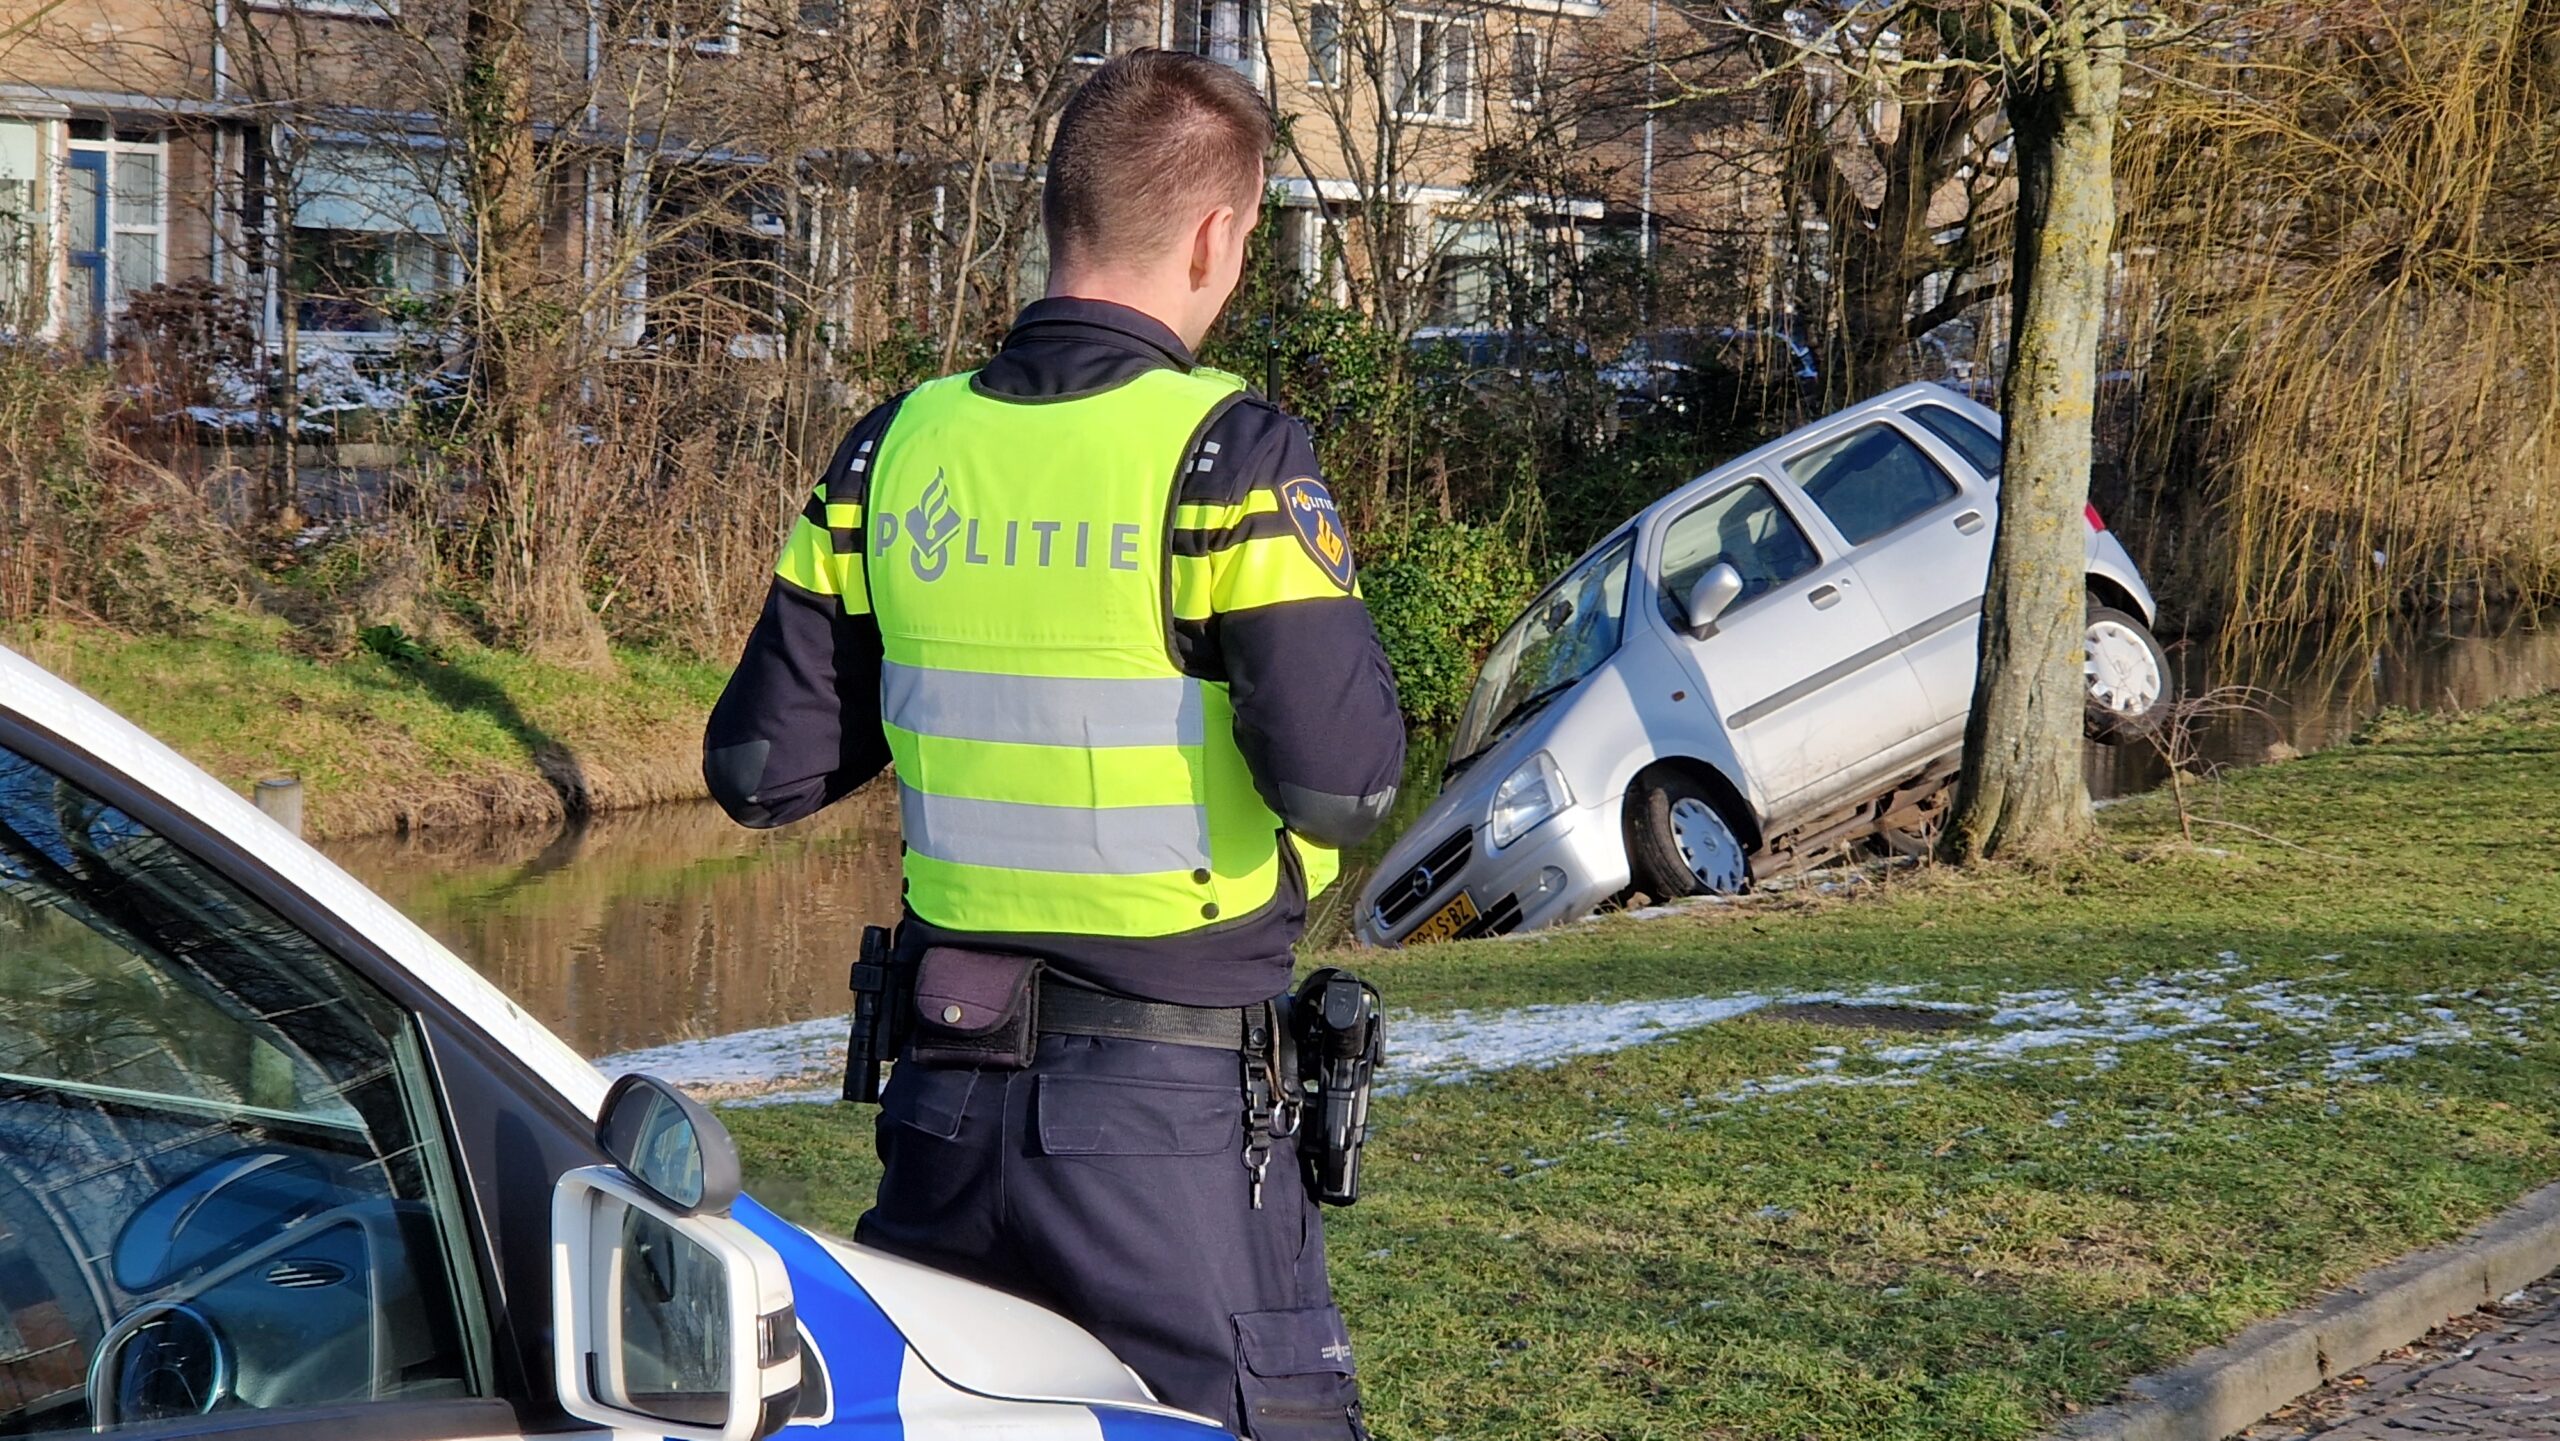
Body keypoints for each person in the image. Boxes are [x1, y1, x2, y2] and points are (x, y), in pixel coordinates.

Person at [701, 48, 1406, 1441]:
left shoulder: (893, 453)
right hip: (1170, 1126)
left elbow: (760, 769)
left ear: (1057, 216)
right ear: (1215, 237)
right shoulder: (1230, 460)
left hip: (944, 1109)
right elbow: (1347, 779)